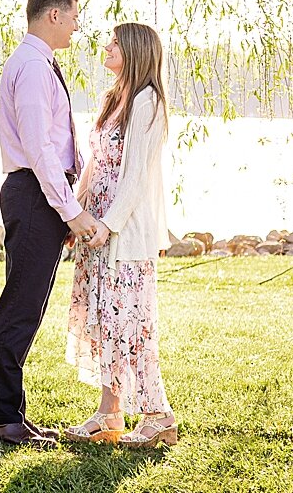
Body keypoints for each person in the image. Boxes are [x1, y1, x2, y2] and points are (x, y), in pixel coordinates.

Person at [0, 0, 101, 448]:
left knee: (24, 306)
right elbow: (40, 149)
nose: (77, 25)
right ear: (52, 15)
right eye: (74, 16)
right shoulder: (32, 67)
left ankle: (7, 415)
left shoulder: (36, 63)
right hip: (34, 193)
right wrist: (70, 212)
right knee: (21, 306)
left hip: (36, 195)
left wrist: (63, 207)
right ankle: (3, 421)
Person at [61, 22, 179, 448]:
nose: (106, 46)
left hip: (123, 232)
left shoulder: (149, 102)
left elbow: (134, 176)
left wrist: (108, 225)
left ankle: (158, 416)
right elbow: (96, 166)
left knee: (131, 323)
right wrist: (75, 216)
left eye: (115, 41)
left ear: (134, 50)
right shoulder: (115, 99)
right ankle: (109, 413)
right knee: (105, 320)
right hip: (96, 226)